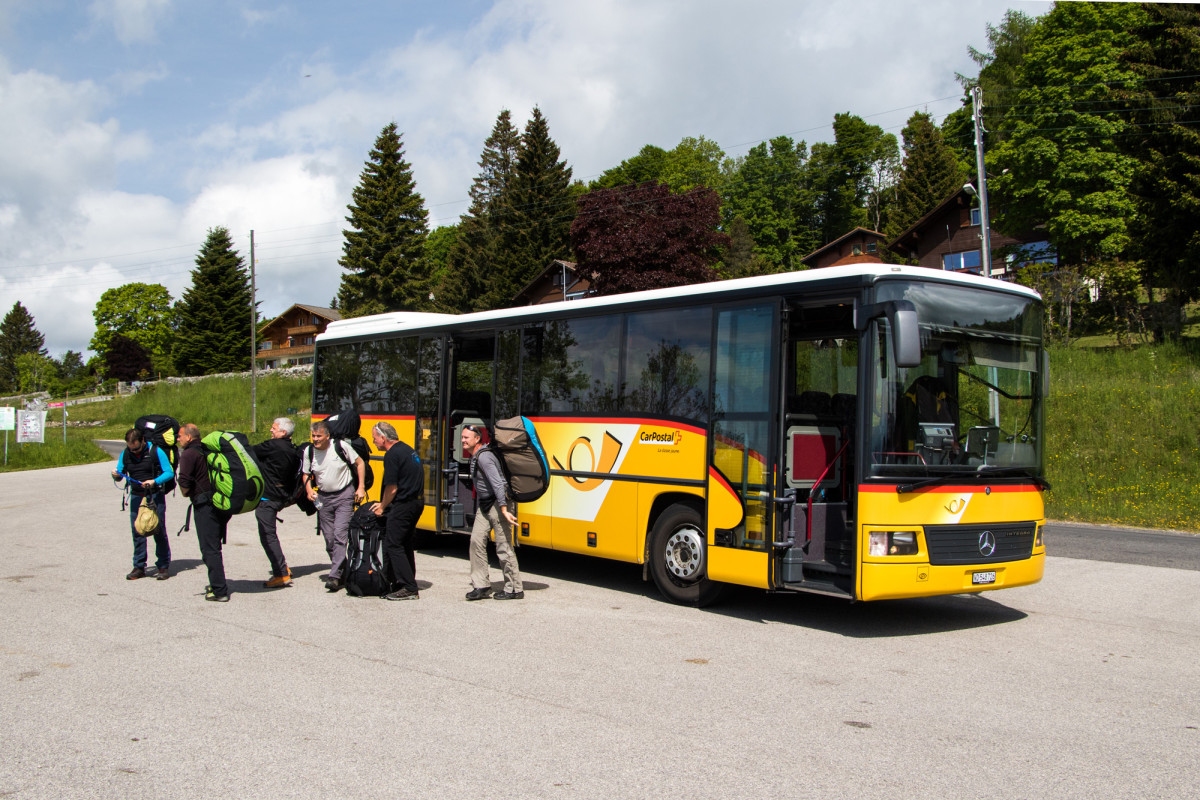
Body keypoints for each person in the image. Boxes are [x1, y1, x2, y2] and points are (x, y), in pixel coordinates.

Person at [301, 419, 365, 592]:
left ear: (327, 436)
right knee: (329, 540)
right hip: (323, 499)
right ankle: (343, 570)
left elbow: (360, 463)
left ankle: (334, 576)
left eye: (319, 436)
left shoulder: (340, 446)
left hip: (344, 495)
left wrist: (360, 487)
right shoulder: (309, 451)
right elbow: (306, 473)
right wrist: (308, 490)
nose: (315, 439)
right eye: (313, 436)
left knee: (339, 536)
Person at [461, 424, 523, 601]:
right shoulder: (477, 455)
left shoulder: (484, 457)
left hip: (498, 504)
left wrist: (504, 508)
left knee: (503, 546)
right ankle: (481, 585)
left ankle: (514, 588)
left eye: (466, 437)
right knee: (476, 541)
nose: (463, 440)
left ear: (477, 439)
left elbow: (498, 483)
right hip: (486, 504)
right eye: (463, 437)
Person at [176, 423, 231, 602]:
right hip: (220, 502)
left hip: (204, 505)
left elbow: (183, 482)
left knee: (209, 549)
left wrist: (187, 493)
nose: (177, 439)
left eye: (180, 436)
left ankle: (219, 590)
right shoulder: (208, 450)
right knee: (214, 546)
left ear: (189, 437)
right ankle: (218, 583)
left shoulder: (189, 454)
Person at [370, 422, 424, 601]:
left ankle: (408, 587)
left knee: (393, 544)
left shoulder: (392, 454)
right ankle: (406, 581)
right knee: (405, 543)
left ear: (383, 438)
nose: (373, 442)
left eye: (375, 438)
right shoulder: (407, 449)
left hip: (403, 504)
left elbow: (392, 487)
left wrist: (382, 506)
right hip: (416, 502)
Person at [112, 427, 174, 581]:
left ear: (143, 441)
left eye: (137, 448)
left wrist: (154, 481)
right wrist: (115, 474)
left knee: (157, 529)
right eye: (131, 449)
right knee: (138, 531)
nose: (134, 451)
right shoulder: (126, 453)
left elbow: (169, 472)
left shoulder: (156, 451)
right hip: (136, 496)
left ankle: (163, 566)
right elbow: (120, 472)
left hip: (154, 495)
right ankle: (139, 566)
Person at [252, 417, 300, 588]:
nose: (271, 430)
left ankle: (281, 573)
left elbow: (250, 452)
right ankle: (282, 567)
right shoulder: (292, 449)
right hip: (282, 496)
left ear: (283, 432)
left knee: (267, 535)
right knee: (269, 534)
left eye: (274, 428)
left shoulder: (272, 446)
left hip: (268, 498)